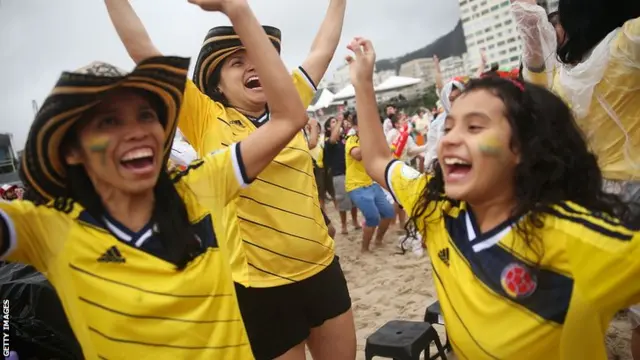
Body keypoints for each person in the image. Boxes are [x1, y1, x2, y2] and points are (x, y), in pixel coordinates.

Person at [0, 0, 313, 356]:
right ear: (71, 151)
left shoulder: (199, 186)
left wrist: (237, 10)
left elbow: (289, 117)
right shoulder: (49, 228)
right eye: (108, 121)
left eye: (146, 115)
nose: (136, 131)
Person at [345, 36, 640, 359]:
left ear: (521, 148)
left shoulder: (581, 238)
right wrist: (362, 82)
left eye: (474, 127)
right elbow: (376, 160)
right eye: (449, 128)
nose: (450, 141)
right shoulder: (436, 206)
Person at [105, 0, 356, 359]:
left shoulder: (289, 100)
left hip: (322, 269)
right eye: (236, 62)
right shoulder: (204, 116)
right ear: (217, 85)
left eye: (256, 54)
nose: (252, 64)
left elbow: (323, 48)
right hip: (261, 289)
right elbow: (145, 53)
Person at [344, 114, 394, 252]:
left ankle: (378, 240)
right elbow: (357, 155)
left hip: (371, 183)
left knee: (389, 213)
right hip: (356, 186)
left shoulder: (373, 139)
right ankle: (364, 249)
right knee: (372, 217)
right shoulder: (351, 140)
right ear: (355, 127)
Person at [325, 115, 361, 234]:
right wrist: (340, 121)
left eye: (337, 121)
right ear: (328, 128)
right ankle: (344, 225)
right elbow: (333, 139)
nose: (337, 123)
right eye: (333, 122)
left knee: (354, 200)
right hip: (339, 174)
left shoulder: (345, 138)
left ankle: (355, 221)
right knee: (342, 202)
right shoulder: (329, 142)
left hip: (351, 172)